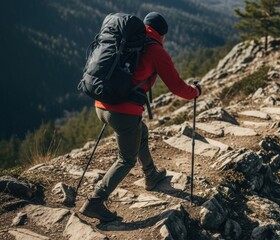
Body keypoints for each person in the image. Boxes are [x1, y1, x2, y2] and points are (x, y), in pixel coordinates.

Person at [79, 12, 201, 222]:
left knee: (140, 131)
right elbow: (177, 87)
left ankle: (151, 175)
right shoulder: (155, 50)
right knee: (126, 159)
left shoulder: (126, 40)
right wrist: (195, 92)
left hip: (101, 103)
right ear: (162, 34)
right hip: (122, 111)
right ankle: (95, 202)